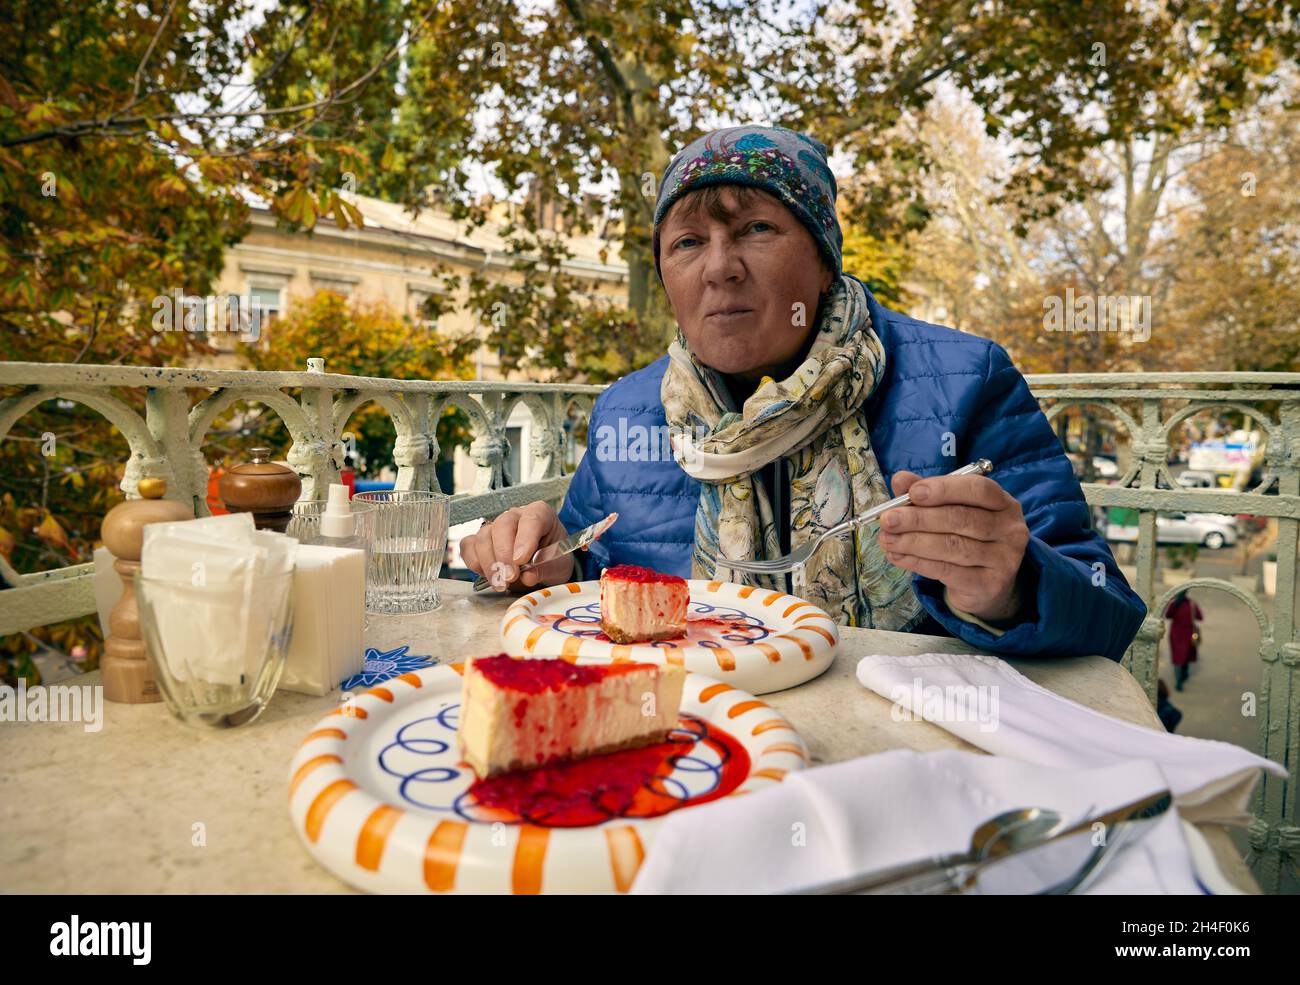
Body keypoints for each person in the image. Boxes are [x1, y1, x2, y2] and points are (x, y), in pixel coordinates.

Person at [460, 125, 1147, 661]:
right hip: (697, 761)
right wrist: (549, 565)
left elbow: (1106, 611)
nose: (720, 268)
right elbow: (592, 572)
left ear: (823, 260)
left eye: (756, 229)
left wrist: (1013, 586)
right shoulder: (628, 413)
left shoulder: (966, 380)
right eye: (688, 242)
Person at [1163, 589, 1202, 690]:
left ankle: (1179, 680)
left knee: (1178, 657)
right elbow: (1200, 617)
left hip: (1176, 634)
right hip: (1188, 634)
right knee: (1186, 655)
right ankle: (1184, 675)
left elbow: (1167, 616)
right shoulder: (1192, 604)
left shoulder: (1174, 604)